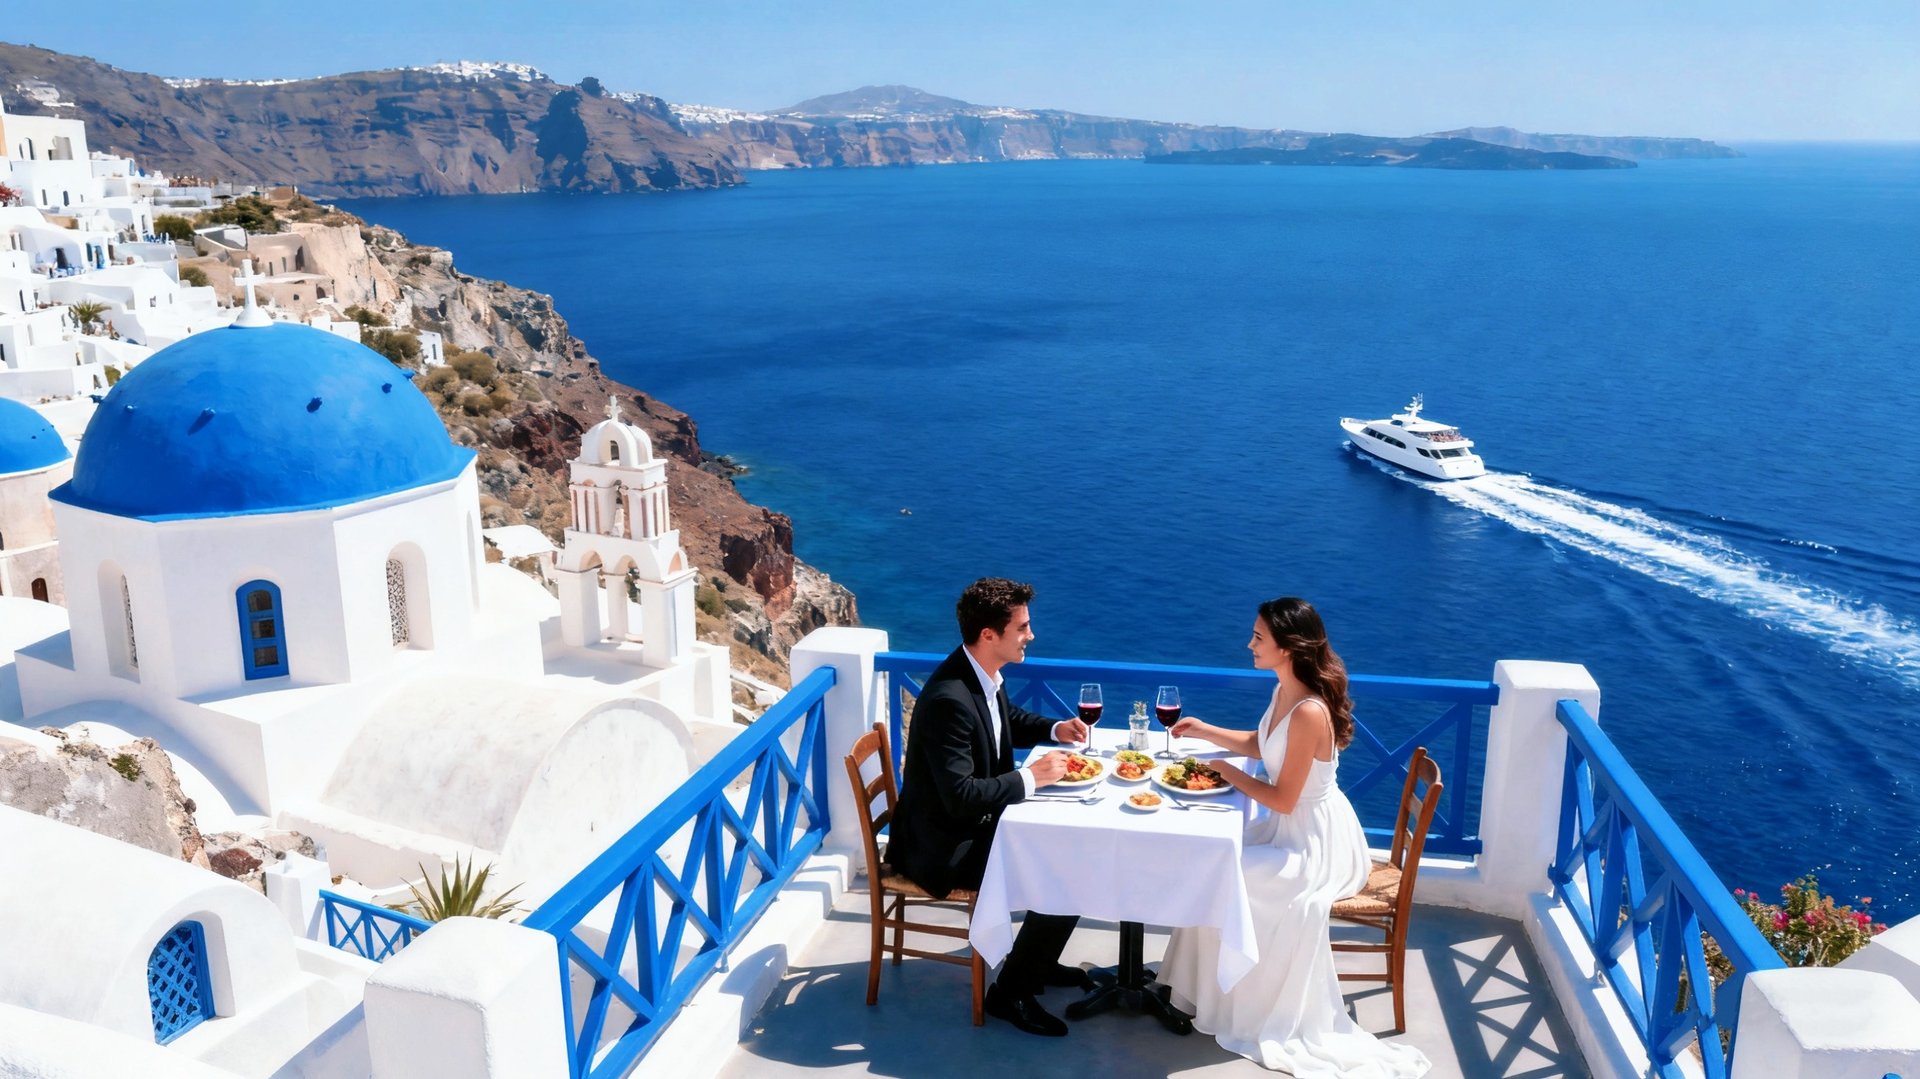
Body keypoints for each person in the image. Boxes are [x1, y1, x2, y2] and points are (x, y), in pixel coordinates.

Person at [1159, 597, 1431, 1077]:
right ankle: (1201, 993)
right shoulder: (1285, 688)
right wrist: (1206, 731)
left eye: (1259, 637)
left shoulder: (1309, 710)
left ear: (1287, 647)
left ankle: (1239, 1005)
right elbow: (1263, 744)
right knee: (1211, 865)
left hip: (1314, 843)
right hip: (1290, 828)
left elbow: (1283, 799)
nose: (1250, 644)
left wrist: (1225, 772)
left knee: (1227, 878)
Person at [885, 577, 1094, 1037]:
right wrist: (1030, 779)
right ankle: (1010, 994)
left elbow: (1004, 722)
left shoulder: (979, 673)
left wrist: (1055, 728)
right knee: (1064, 867)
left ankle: (1034, 965)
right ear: (989, 636)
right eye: (1022, 628)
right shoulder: (948, 700)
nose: (1030, 636)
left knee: (1069, 856)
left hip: (966, 825)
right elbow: (960, 795)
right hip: (942, 846)